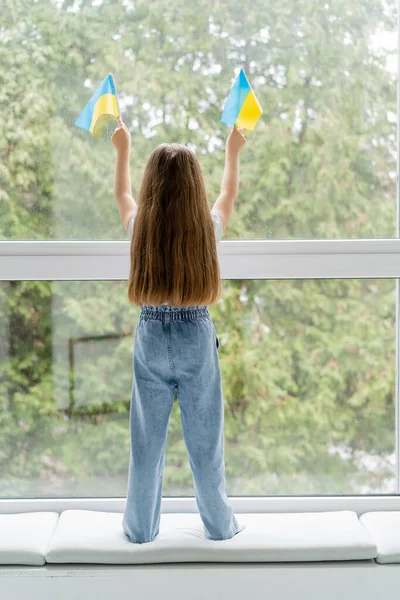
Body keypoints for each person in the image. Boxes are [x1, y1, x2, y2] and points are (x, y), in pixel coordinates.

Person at [111, 117, 246, 543]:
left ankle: (139, 529)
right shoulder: (205, 232)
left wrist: (122, 149)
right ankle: (220, 527)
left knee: (146, 444)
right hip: (196, 337)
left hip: (150, 335)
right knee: (206, 443)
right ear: (194, 190)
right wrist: (233, 152)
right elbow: (228, 195)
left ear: (152, 186)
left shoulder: (140, 232)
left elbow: (122, 194)